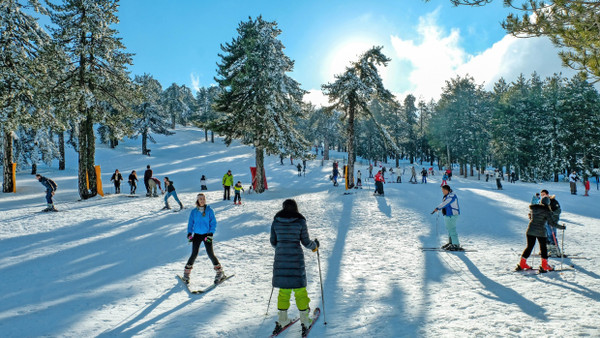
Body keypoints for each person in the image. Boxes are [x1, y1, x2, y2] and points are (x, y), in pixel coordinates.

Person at [270, 199, 319, 336]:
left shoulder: (276, 221)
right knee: (300, 291)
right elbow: (305, 242)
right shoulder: (300, 221)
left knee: (283, 291)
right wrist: (315, 245)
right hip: (296, 260)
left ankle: (282, 319)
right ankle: (305, 320)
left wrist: (281, 248)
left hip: (281, 259)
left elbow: (273, 242)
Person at [182, 193, 226, 285]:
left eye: (203, 199)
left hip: (206, 235)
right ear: (197, 200)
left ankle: (219, 272)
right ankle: (186, 274)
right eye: (200, 199)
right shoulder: (194, 212)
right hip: (197, 235)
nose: (202, 200)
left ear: (205, 200)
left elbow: (213, 223)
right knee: (194, 254)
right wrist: (189, 233)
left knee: (210, 254)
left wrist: (210, 234)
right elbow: (190, 223)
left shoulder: (210, 210)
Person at [515, 196, 565, 272]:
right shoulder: (547, 211)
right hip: (541, 231)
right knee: (543, 248)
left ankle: (522, 263)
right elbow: (551, 223)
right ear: (548, 203)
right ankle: (544, 265)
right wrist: (561, 227)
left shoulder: (534, 209)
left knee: (529, 247)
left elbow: (531, 217)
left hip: (530, 230)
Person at [431, 185, 462, 251]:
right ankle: (451, 242)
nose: (442, 192)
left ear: (446, 190)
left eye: (443, 191)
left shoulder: (452, 196)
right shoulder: (447, 195)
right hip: (448, 215)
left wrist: (438, 208)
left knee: (452, 229)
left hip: (452, 214)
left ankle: (456, 244)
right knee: (449, 229)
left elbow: (446, 203)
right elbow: (445, 204)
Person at [541, 189, 562, 257]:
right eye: (542, 195)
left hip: (552, 221)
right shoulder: (542, 202)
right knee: (545, 235)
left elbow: (558, 210)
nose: (543, 196)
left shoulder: (553, 201)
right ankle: (547, 248)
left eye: (544, 195)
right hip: (545, 221)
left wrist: (551, 214)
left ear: (547, 194)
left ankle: (555, 249)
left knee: (551, 234)